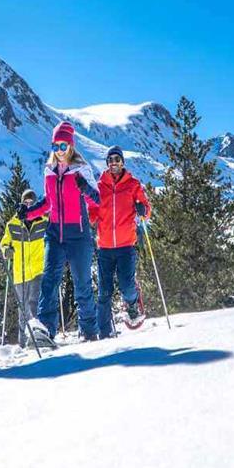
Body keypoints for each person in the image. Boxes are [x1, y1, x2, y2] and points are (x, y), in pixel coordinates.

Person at [20, 121, 101, 341]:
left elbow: (97, 201)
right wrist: (27, 213)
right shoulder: (49, 171)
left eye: (62, 146)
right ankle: (47, 330)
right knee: (49, 282)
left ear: (71, 146)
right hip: (54, 233)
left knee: (82, 283)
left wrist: (85, 189)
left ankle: (90, 331)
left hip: (79, 234)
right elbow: (48, 202)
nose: (58, 151)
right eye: (54, 146)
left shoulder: (81, 170)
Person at [90, 145, 151, 338]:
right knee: (104, 291)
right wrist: (88, 215)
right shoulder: (100, 186)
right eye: (110, 160)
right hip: (105, 247)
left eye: (117, 159)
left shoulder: (133, 184)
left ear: (122, 162)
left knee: (126, 285)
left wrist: (143, 209)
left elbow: (146, 209)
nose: (114, 163)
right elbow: (93, 213)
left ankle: (133, 302)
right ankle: (104, 332)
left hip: (126, 244)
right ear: (107, 163)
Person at [0, 189, 52, 347]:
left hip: (38, 269)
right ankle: (23, 342)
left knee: (33, 303)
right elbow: (4, 243)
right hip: (19, 272)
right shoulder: (13, 224)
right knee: (22, 308)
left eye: (32, 203)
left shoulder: (43, 221)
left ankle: (37, 337)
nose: (29, 205)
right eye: (26, 203)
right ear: (22, 203)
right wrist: (6, 250)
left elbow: (52, 237)